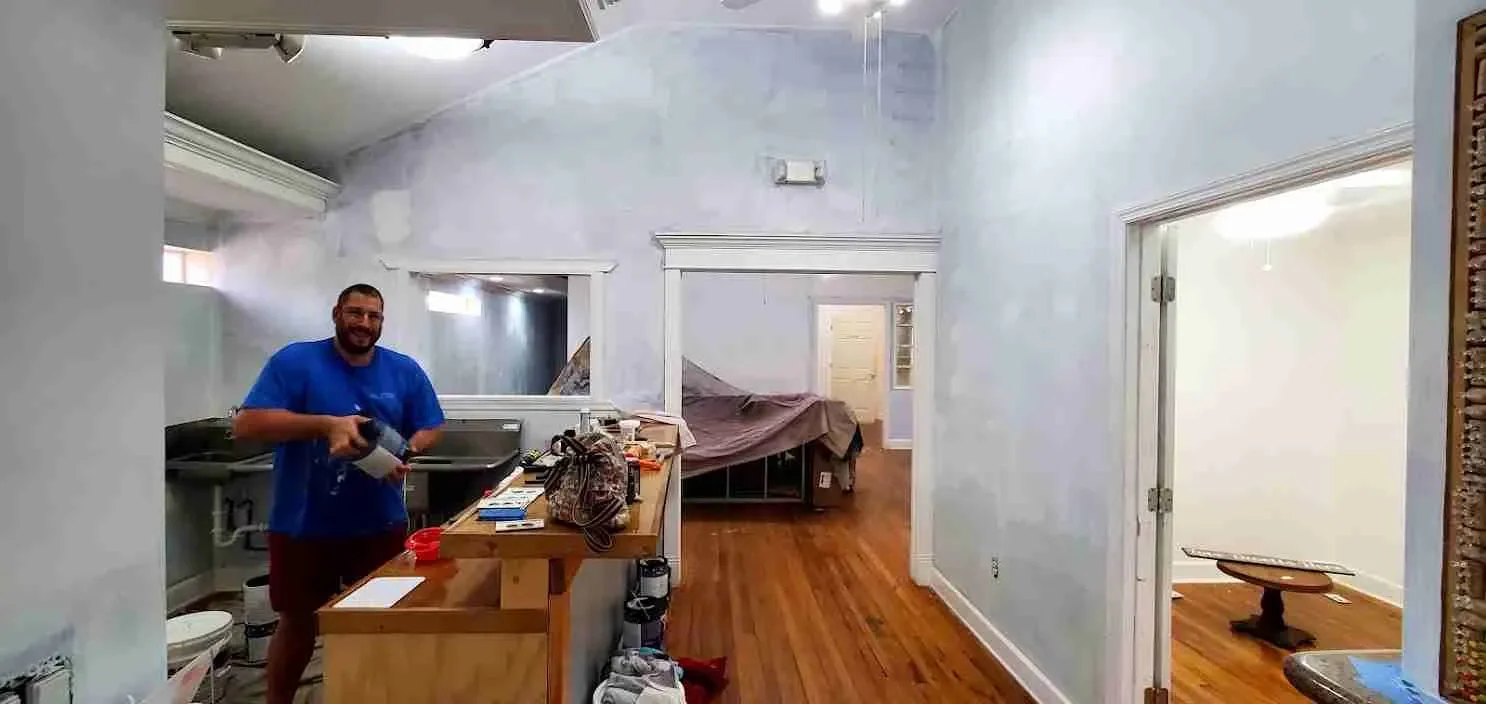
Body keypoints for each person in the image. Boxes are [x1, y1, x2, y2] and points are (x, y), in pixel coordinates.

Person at [232, 283, 445, 704]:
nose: (364, 323)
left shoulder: (403, 370)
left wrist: (407, 449)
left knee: (379, 622)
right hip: (303, 523)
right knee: (297, 624)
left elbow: (431, 425)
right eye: (355, 313)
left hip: (378, 525)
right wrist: (326, 425)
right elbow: (247, 425)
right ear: (336, 313)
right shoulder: (296, 362)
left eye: (373, 316)